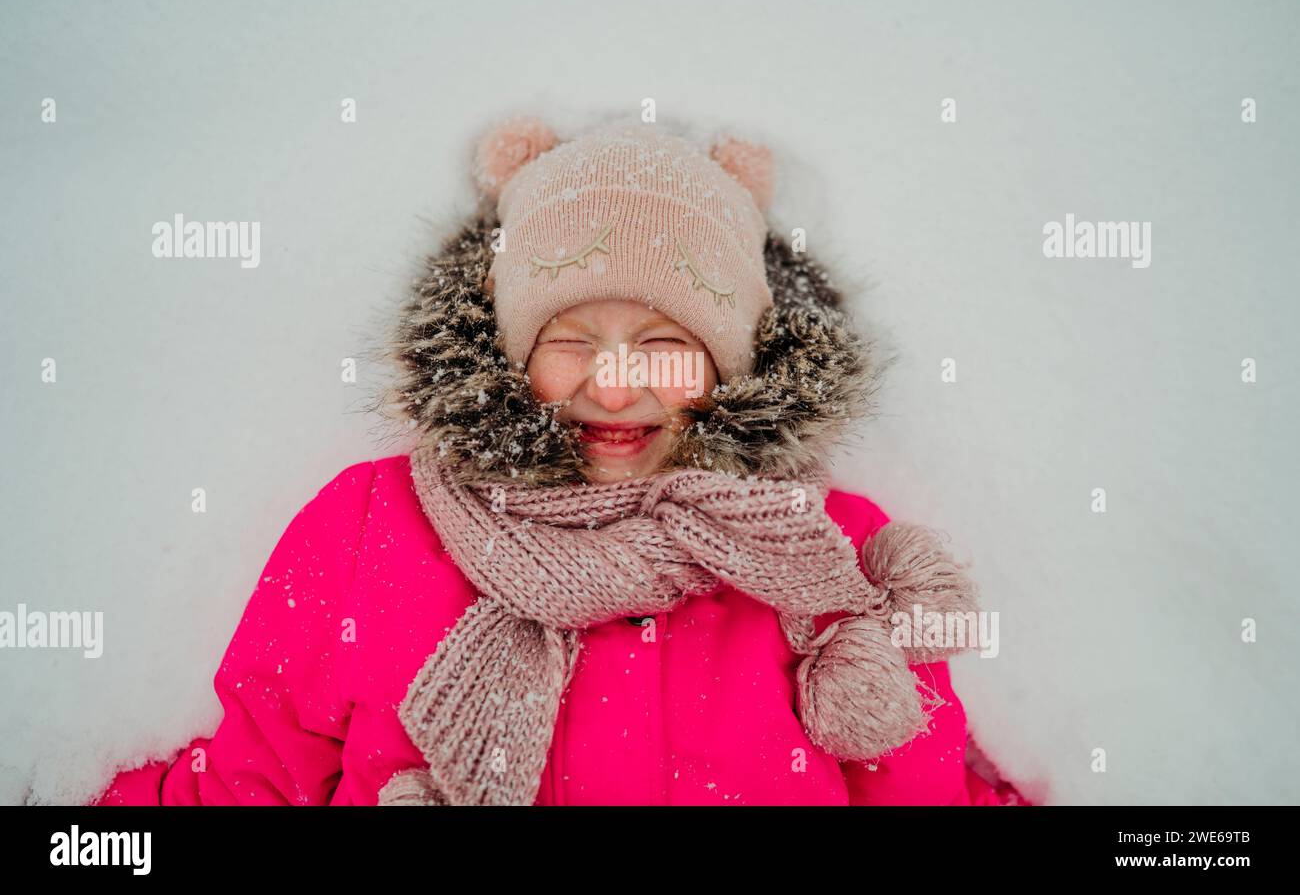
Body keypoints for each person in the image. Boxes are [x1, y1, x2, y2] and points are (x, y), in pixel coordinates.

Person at [94, 117, 1025, 806]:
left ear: (731, 364)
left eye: (664, 342)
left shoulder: (819, 552)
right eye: (570, 338)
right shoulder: (372, 526)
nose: (613, 390)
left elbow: (921, 787)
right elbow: (253, 784)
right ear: (509, 350)